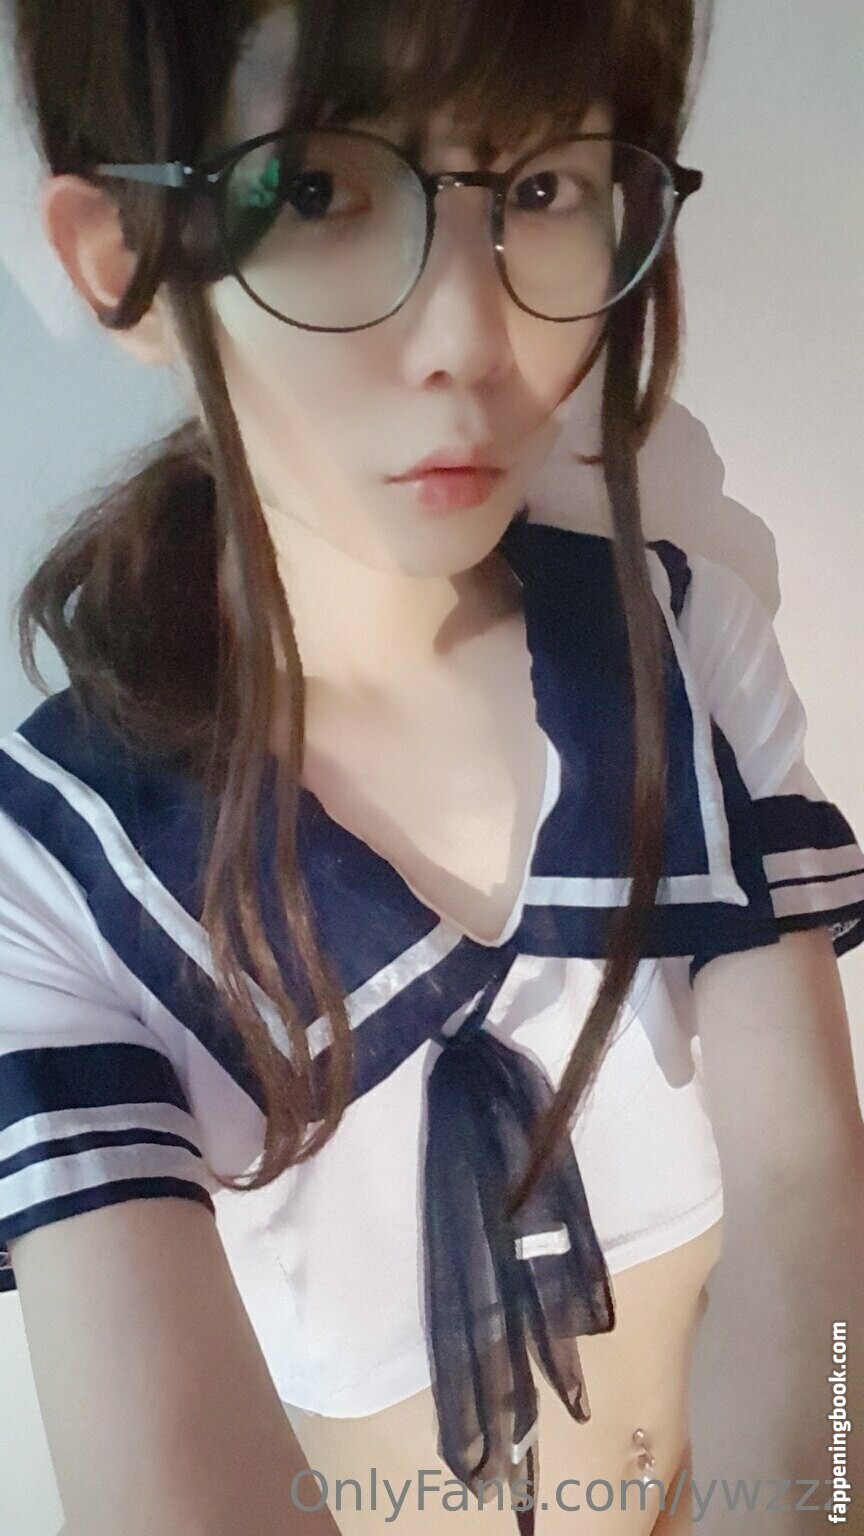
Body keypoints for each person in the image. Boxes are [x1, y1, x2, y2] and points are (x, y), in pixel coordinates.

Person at [2, 3, 863, 1534]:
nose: (475, 342)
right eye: (317, 187)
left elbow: (812, 1210)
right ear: (123, 255)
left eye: (542, 186)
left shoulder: (678, 649)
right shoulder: (55, 873)